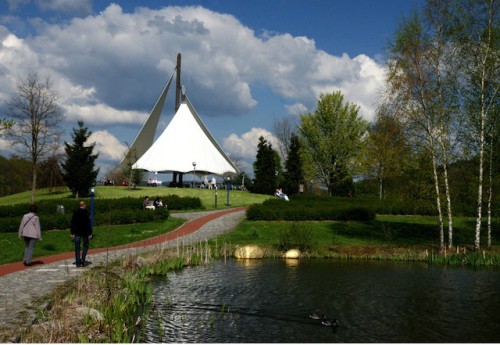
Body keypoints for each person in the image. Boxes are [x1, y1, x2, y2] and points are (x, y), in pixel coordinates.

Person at [70, 200, 93, 267]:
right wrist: (90, 233)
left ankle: (77, 262)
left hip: (77, 232)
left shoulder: (76, 212)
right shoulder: (86, 212)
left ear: (80, 205)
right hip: (85, 232)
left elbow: (73, 222)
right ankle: (82, 259)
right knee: (86, 245)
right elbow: (88, 223)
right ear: (84, 205)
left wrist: (72, 232)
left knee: (77, 247)